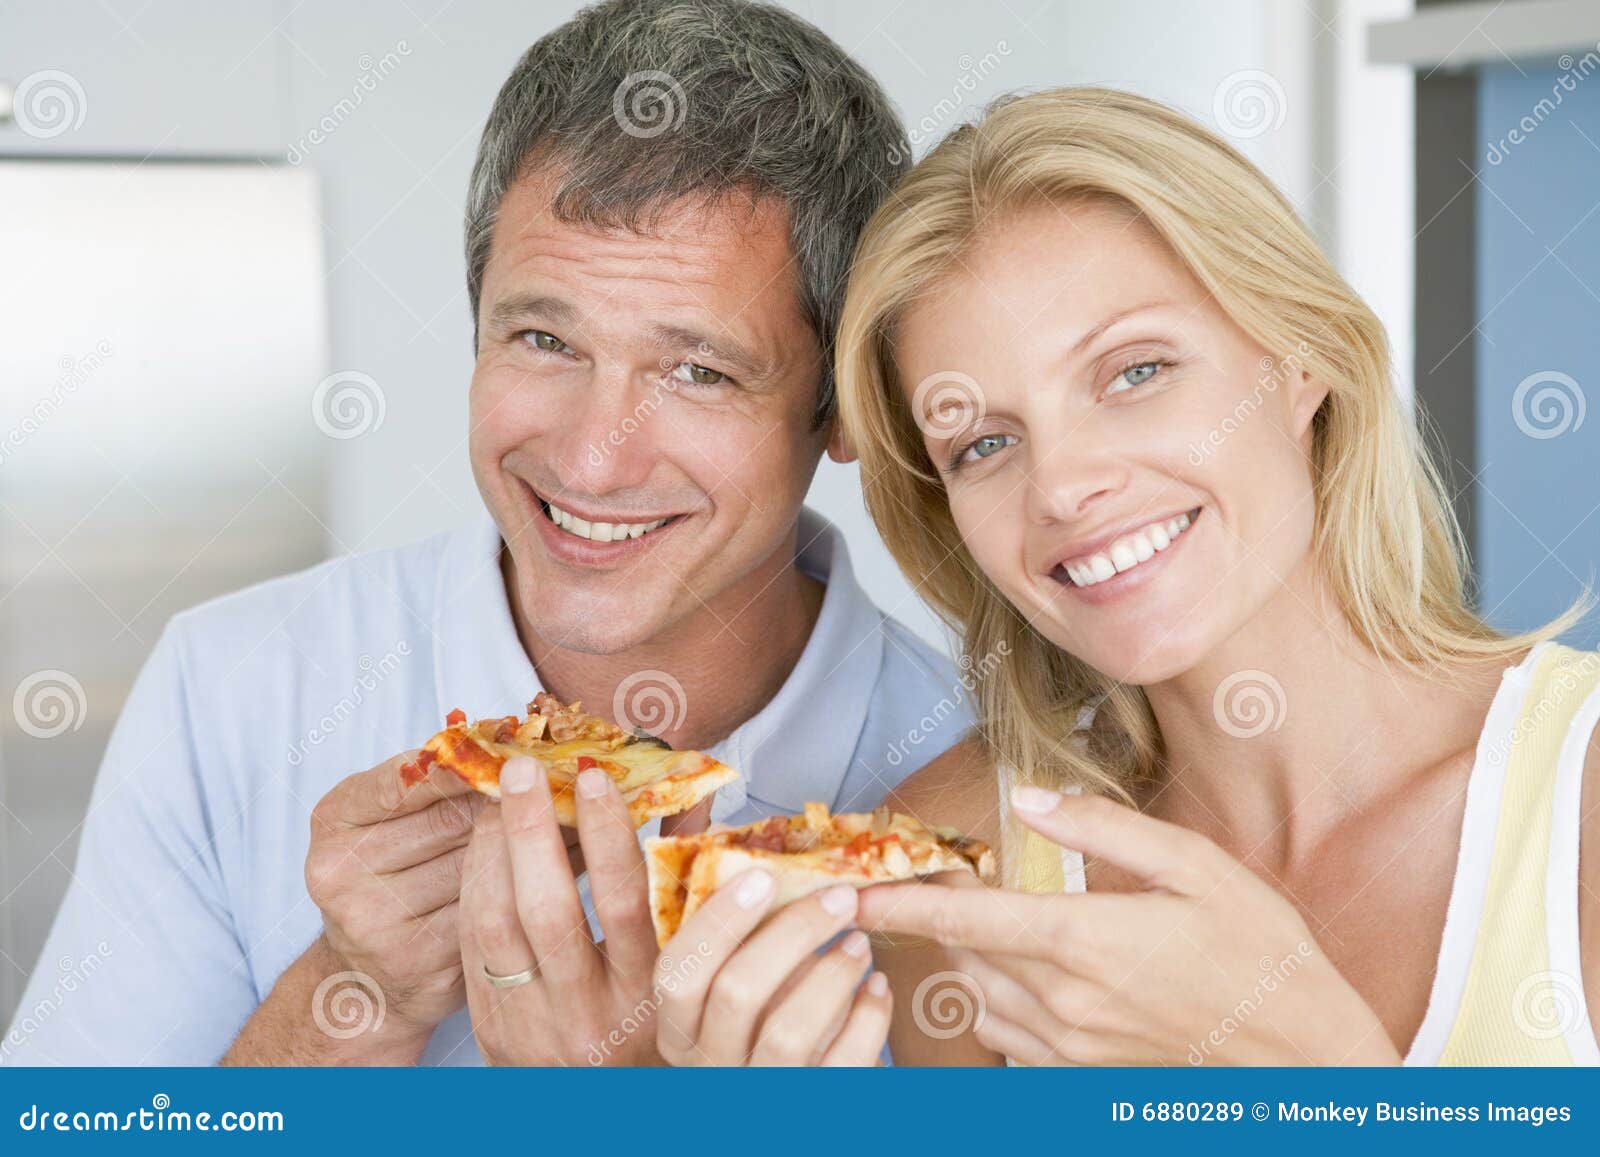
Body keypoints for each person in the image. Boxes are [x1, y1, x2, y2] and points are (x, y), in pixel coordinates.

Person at [2, 0, 970, 1067]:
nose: (595, 458)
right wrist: (350, 992)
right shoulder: (232, 689)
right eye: (545, 337)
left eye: (698, 370)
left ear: (841, 410)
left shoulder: (986, 784)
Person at [824, 87, 1600, 1065]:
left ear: (1299, 356)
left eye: (1135, 371)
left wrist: (1313, 1063)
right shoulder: (955, 855)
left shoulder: (1580, 799)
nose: (1061, 486)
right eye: (981, 441)